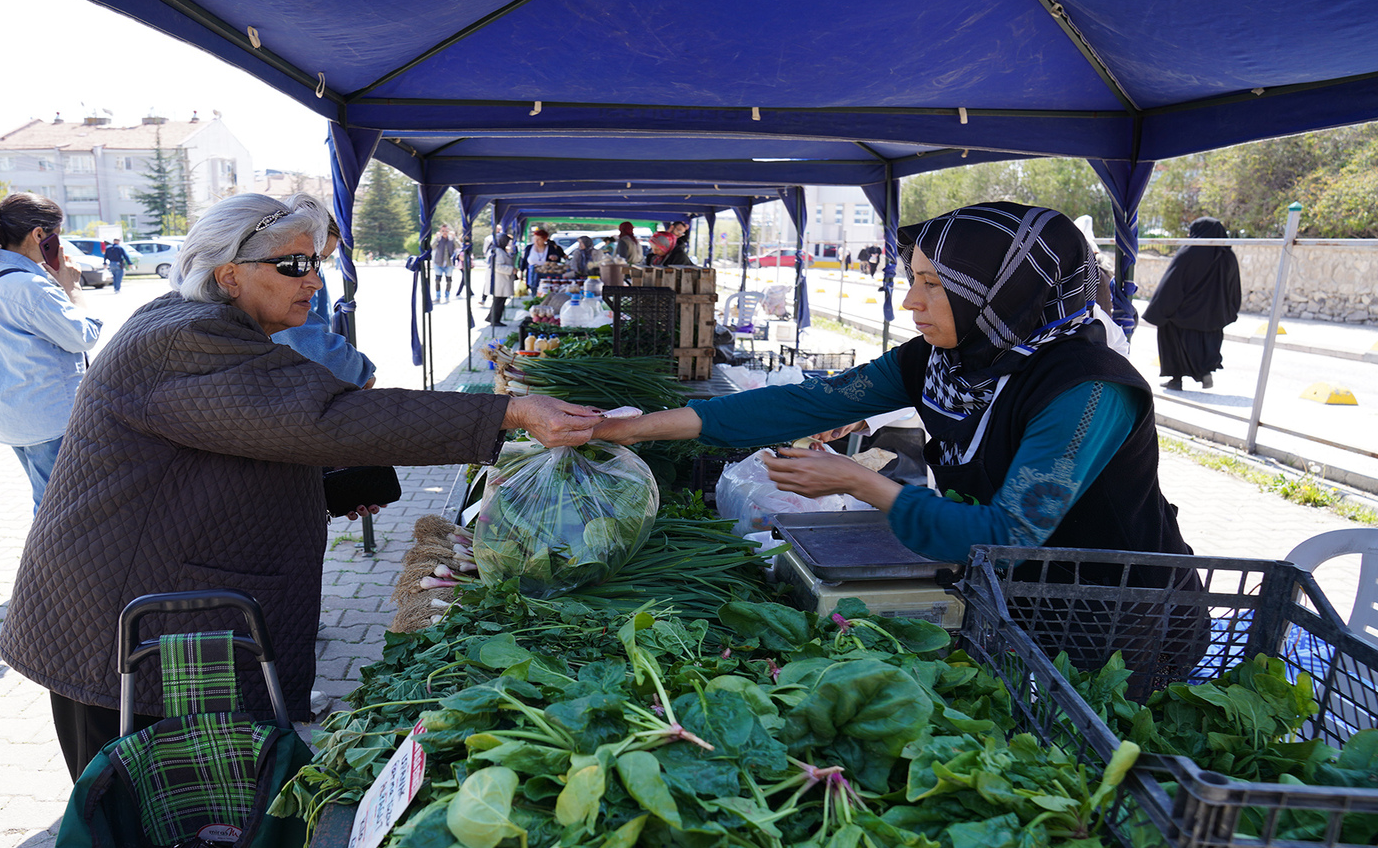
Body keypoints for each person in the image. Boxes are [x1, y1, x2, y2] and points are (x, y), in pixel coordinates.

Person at [0, 192, 602, 778]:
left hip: (156, 605)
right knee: (147, 806)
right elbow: (324, 418)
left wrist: (330, 490)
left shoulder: (206, 325)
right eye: (293, 265)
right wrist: (508, 413)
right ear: (229, 274)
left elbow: (240, 441)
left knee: (198, 801)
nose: (313, 280)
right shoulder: (188, 338)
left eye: (315, 262)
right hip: (129, 626)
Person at [596, 201, 1191, 569]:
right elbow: (808, 403)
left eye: (934, 284)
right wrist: (629, 429)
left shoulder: (1088, 390)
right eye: (913, 279)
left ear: (1001, 292)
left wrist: (857, 480)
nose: (910, 302)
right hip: (1012, 601)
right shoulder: (941, 360)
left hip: (1117, 616)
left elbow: (1009, 534)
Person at [0, 192, 101, 513]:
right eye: (56, 235)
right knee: (61, 508)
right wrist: (72, 287)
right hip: (48, 415)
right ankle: (48, 549)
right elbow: (84, 336)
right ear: (39, 235)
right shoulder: (31, 287)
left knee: (48, 499)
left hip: (7, 411)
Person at [1142, 217, 1242, 391]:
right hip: (1213, 316)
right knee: (1205, 344)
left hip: (1184, 314)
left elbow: (1172, 283)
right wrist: (1228, 310)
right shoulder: (1228, 256)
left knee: (1171, 335)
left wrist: (1160, 309)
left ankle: (1176, 379)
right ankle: (1205, 373)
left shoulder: (1189, 252)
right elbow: (1234, 288)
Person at [519, 227, 565, 297]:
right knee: (534, 293)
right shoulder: (529, 248)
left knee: (545, 293)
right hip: (532, 275)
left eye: (539, 239)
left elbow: (557, 259)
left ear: (545, 240)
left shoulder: (550, 248)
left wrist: (554, 257)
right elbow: (524, 260)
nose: (536, 241)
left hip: (546, 276)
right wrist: (521, 272)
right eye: (535, 239)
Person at [487, 233, 517, 327]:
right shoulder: (498, 251)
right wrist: (511, 269)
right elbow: (497, 266)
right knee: (499, 301)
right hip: (500, 279)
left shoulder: (499, 250)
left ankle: (491, 317)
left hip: (501, 279)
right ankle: (494, 319)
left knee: (499, 300)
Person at [431, 225, 456, 303]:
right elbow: (431, 247)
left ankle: (447, 296)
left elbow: (459, 246)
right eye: (443, 231)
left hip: (449, 264)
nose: (444, 232)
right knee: (437, 280)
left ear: (449, 231)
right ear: (440, 231)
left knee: (449, 280)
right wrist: (436, 238)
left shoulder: (451, 239)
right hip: (438, 263)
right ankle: (438, 297)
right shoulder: (438, 239)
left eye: (446, 231)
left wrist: (454, 237)